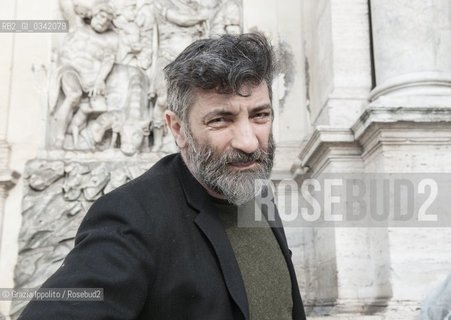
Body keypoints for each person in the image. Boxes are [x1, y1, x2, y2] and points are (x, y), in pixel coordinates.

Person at [19, 33, 306, 320]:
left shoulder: (255, 188)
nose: (249, 143)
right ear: (178, 129)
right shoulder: (132, 217)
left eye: (260, 116)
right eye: (221, 120)